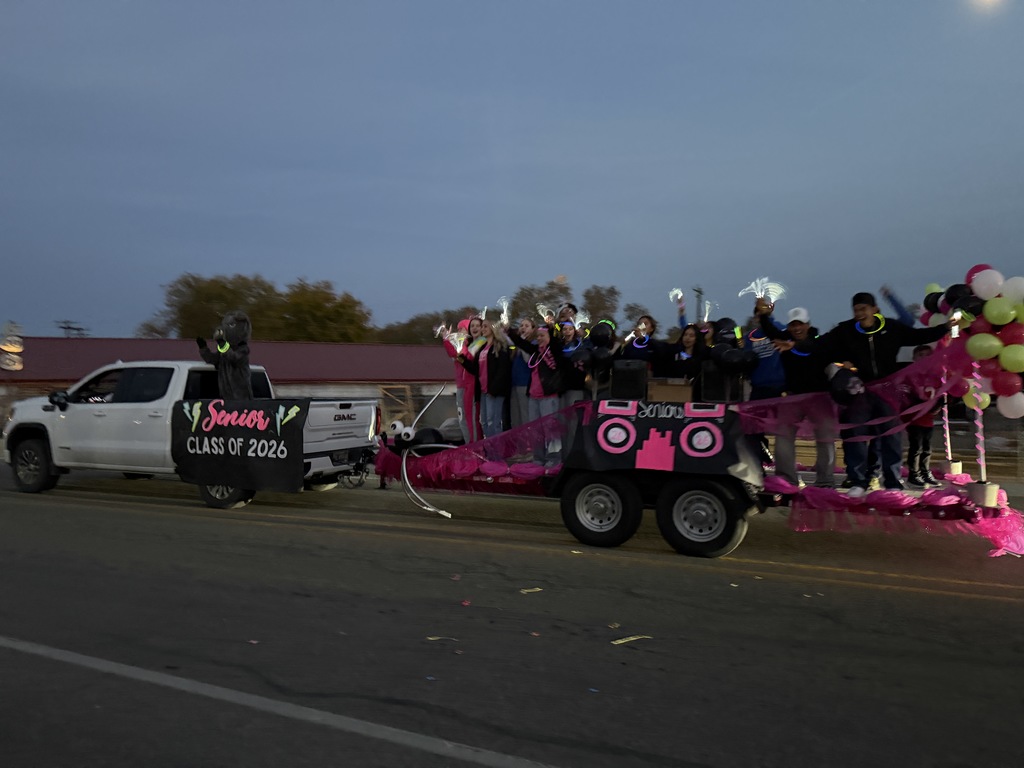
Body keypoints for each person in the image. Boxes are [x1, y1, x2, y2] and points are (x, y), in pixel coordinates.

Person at [801, 292, 955, 495]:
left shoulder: (891, 328)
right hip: (859, 390)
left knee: (891, 434)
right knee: (855, 434)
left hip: (888, 390)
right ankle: (858, 481)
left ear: (874, 309)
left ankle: (892, 482)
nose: (859, 313)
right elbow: (819, 345)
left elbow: (918, 336)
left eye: (863, 309)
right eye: (856, 310)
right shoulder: (845, 331)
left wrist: (945, 327)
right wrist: (795, 346)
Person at [759, 307, 835, 488]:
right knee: (783, 436)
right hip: (792, 397)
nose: (796, 328)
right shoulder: (784, 339)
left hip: (819, 396)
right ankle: (786, 479)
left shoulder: (818, 340)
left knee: (825, 438)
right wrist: (762, 314)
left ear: (808, 325)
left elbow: (812, 349)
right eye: (793, 325)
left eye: (800, 324)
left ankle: (825, 481)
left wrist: (794, 346)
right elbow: (770, 331)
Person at [508, 323, 564, 465]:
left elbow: (557, 342)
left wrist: (552, 327)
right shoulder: (536, 351)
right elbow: (521, 343)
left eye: (542, 336)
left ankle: (554, 458)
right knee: (536, 431)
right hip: (533, 396)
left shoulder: (554, 350)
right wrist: (509, 331)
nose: (539, 338)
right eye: (537, 336)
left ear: (549, 337)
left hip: (548, 397)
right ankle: (539, 458)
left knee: (551, 430)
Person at [458, 319, 512, 439]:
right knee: (485, 423)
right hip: (483, 391)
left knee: (494, 422)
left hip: (495, 391)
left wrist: (494, 389)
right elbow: (475, 370)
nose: (483, 329)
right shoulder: (482, 349)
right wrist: (462, 359)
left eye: (485, 326)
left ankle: (498, 452)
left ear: (493, 329)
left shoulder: (499, 347)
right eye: (482, 327)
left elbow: (503, 370)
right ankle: (490, 451)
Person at [905, 344, 941, 487]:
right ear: (914, 358)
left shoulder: (934, 376)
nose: (924, 358)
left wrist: (938, 406)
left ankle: (925, 472)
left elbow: (940, 394)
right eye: (921, 355)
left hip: (928, 419)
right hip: (914, 418)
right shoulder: (910, 375)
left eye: (928, 355)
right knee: (916, 447)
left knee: (927, 448)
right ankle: (914, 474)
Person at [508, 318, 535, 428]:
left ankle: (528, 443)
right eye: (521, 325)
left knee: (525, 416)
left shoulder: (532, 343)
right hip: (514, 383)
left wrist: (522, 343)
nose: (523, 327)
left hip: (525, 383)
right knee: (515, 417)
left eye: (526, 326)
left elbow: (528, 360)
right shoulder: (516, 344)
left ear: (533, 329)